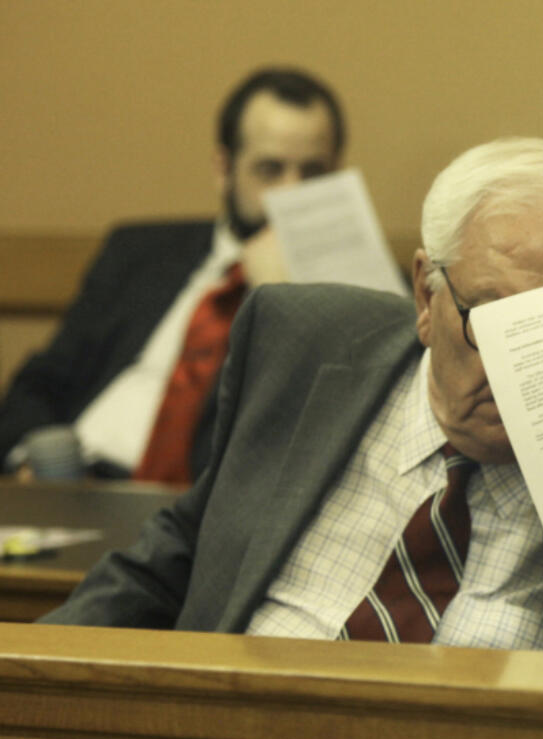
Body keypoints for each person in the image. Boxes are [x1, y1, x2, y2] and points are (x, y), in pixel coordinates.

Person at [39, 138, 543, 657]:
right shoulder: (303, 347)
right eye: (491, 323)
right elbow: (183, 550)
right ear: (426, 293)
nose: (514, 371)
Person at [0, 66, 345, 482]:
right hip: (76, 483)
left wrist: (289, 297)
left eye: (313, 173)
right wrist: (28, 461)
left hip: (198, 512)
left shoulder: (357, 288)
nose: (291, 193)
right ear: (224, 169)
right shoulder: (139, 253)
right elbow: (44, 380)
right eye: (270, 170)